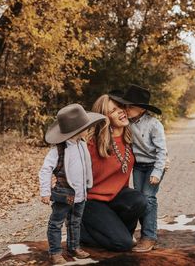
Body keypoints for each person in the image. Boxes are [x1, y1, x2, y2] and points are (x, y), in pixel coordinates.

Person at [39, 103, 105, 265]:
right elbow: (45, 170)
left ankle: (73, 246)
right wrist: (45, 192)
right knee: (56, 223)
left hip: (80, 193)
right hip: (64, 194)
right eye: (85, 127)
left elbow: (85, 167)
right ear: (76, 130)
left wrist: (88, 184)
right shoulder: (58, 150)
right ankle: (55, 252)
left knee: (75, 221)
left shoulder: (82, 145)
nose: (88, 130)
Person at [80, 95, 147, 252]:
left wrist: (162, 159)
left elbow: (149, 153)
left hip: (116, 197)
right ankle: (83, 233)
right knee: (123, 244)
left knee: (139, 200)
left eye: (121, 107)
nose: (122, 112)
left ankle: (116, 232)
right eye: (114, 110)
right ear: (105, 117)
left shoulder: (131, 138)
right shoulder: (92, 143)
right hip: (91, 202)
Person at [110, 84, 168, 252]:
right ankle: (133, 233)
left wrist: (158, 171)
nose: (126, 109)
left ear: (142, 110)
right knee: (139, 199)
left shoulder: (154, 124)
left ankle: (149, 236)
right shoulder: (126, 123)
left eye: (130, 107)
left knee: (149, 198)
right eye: (125, 106)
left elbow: (162, 151)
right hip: (138, 166)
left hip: (154, 166)